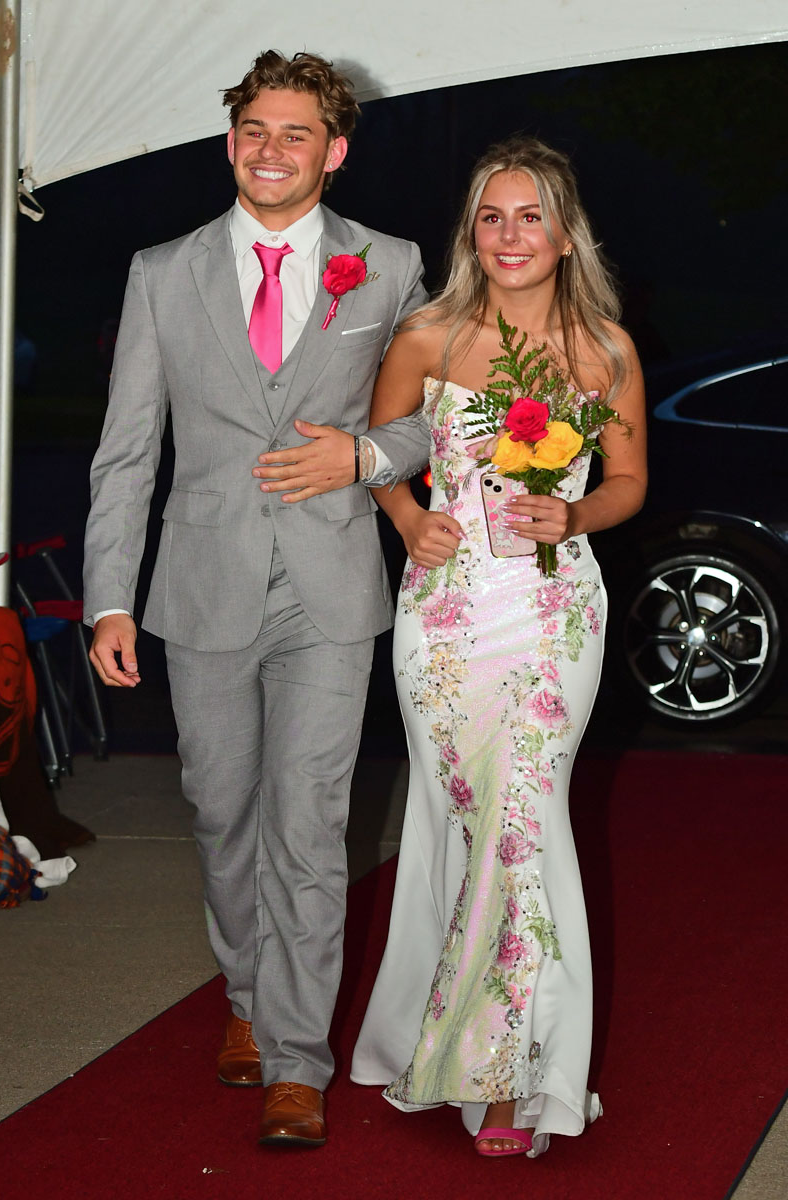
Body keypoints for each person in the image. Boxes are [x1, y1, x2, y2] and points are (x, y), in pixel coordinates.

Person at [83, 50, 429, 1149]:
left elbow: (438, 415)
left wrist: (366, 457)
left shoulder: (387, 266)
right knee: (222, 809)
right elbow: (126, 454)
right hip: (200, 586)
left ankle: (295, 1059)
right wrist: (108, 599)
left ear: (332, 151)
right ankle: (243, 993)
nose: (269, 150)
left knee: (309, 824)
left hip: (331, 589)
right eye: (252, 130)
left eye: (294, 134)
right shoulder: (161, 272)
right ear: (230, 139)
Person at [348, 136, 647, 1158]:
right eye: (491, 215)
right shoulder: (428, 334)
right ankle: (438, 1033)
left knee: (524, 817)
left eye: (529, 216)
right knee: (461, 819)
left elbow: (625, 481)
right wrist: (403, 516)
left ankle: (514, 1073)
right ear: (470, 232)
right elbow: (375, 453)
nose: (509, 235)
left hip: (553, 614)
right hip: (443, 619)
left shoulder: (604, 346)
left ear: (564, 234)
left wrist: (575, 519)